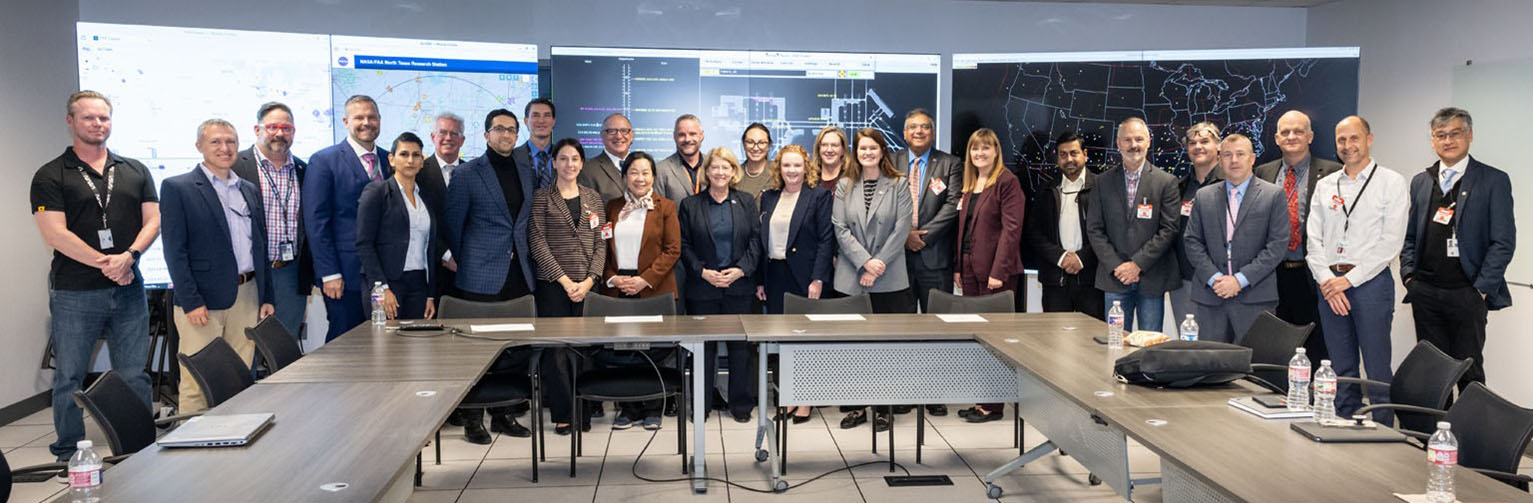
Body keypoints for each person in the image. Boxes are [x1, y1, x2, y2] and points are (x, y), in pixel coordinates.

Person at [32, 91, 159, 462]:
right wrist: (108, 263)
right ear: (70, 121)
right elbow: (55, 234)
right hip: (75, 292)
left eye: (103, 118)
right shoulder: (51, 174)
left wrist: (130, 257)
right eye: (88, 118)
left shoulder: (134, 169)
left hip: (128, 289)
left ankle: (138, 441)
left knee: (134, 372)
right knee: (69, 375)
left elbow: (153, 220)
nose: (97, 124)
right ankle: (68, 449)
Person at [443, 109, 565, 443]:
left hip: (519, 274)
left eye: (512, 130)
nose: (506, 135)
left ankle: (503, 414)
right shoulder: (468, 174)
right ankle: (472, 418)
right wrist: (468, 260)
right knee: (477, 351)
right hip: (480, 275)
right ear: (486, 135)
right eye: (499, 129)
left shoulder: (527, 171)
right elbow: (453, 225)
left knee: (513, 349)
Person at [162, 118, 275, 413]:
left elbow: (260, 246)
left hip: (247, 294)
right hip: (202, 301)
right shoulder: (178, 187)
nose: (224, 148)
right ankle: (190, 448)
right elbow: (175, 252)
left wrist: (267, 297)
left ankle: (234, 437)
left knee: (239, 375)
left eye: (230, 142)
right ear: (199, 146)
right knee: (198, 378)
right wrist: (190, 301)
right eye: (216, 142)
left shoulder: (248, 189)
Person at [1401, 107, 1515, 390]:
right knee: (1432, 371)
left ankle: (1470, 433)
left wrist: (1481, 289)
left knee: (1469, 371)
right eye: (1440, 135)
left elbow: (1503, 241)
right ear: (1432, 140)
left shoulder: (1493, 180)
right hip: (1425, 291)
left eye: (1455, 133)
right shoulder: (1421, 181)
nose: (1447, 140)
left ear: (1470, 135)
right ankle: (1434, 432)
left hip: (1467, 292)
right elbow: (1410, 236)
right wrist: (1409, 278)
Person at [1306, 115, 1409, 423]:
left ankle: (1383, 434)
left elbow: (1390, 243)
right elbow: (1313, 240)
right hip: (1330, 285)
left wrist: (1347, 281)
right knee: (1341, 367)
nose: (1348, 146)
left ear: (1369, 139)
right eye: (1341, 140)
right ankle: (1342, 425)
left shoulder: (1391, 182)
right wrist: (1328, 281)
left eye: (1354, 138)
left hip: (1370, 284)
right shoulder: (1326, 185)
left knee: (1377, 369)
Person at [832, 129, 914, 432]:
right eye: (862, 148)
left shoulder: (899, 184)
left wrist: (877, 264)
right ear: (856, 151)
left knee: (886, 346)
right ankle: (856, 406)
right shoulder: (844, 185)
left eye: (873, 147)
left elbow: (902, 228)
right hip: (852, 276)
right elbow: (840, 228)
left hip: (889, 276)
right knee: (853, 346)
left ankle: (884, 407)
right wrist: (865, 262)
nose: (867, 152)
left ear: (882, 151)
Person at [598, 151, 682, 431]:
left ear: (654, 177)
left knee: (653, 350)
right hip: (619, 287)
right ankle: (627, 407)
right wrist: (612, 278)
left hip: (653, 288)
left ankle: (653, 406)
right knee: (623, 349)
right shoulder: (611, 207)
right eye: (634, 172)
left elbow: (673, 250)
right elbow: (603, 251)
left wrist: (644, 280)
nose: (640, 178)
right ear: (624, 176)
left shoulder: (665, 207)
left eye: (646, 172)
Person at [679, 147, 762, 423]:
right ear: (707, 171)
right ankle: (700, 406)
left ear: (733, 171)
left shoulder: (747, 201)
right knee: (703, 349)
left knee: (740, 350)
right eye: (714, 167)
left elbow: (755, 241)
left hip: (739, 288)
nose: (720, 172)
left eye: (726, 167)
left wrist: (741, 270)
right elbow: (685, 245)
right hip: (703, 288)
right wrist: (702, 272)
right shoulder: (690, 205)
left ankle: (740, 406)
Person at [1181, 134, 1289, 343]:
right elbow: (1192, 241)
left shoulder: (1273, 195)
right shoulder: (1204, 196)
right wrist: (1214, 279)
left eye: (1240, 154)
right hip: (1211, 296)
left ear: (1252, 158)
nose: (1234, 161)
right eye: (1227, 155)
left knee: (1254, 365)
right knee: (1211, 365)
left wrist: (1239, 281)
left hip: (1255, 298)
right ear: (1220, 160)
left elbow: (1277, 246)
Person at [755, 144, 834, 424]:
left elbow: (826, 240)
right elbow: (762, 241)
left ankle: (806, 401)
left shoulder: (819, 196)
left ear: (806, 167)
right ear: (779, 168)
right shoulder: (769, 197)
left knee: (804, 340)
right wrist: (761, 280)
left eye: (797, 165)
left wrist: (818, 278)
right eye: (786, 165)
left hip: (804, 277)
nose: (792, 170)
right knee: (782, 339)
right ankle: (786, 398)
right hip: (775, 275)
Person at [951, 128, 1025, 423]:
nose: (979, 153)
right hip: (969, 268)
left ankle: (993, 406)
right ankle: (982, 400)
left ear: (996, 151)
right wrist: (957, 266)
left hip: (996, 272)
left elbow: (1011, 230)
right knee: (978, 337)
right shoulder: (971, 184)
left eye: (985, 148)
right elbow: (964, 230)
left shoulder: (1007, 182)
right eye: (974, 149)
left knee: (995, 339)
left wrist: (999, 270)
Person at [1255, 110, 1341, 361]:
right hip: (1272, 274)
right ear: (1277, 138)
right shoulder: (1263, 173)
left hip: (1312, 275)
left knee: (1317, 345)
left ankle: (1313, 395)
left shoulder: (1333, 172)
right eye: (1285, 132)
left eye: (1298, 131)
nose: (1291, 136)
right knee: (1275, 345)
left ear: (1310, 136)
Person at [304, 94, 390, 341]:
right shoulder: (324, 160)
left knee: (381, 340)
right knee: (345, 341)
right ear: (345, 121)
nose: (366, 122)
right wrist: (329, 273)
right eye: (359, 117)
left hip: (382, 272)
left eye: (371, 117)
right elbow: (316, 221)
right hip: (345, 273)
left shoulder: (390, 159)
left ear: (380, 120)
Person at [1084, 117, 1180, 332]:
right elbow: (1094, 229)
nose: (1133, 145)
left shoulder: (1167, 182)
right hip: (1114, 278)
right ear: (1118, 144)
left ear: (1148, 142)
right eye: (1127, 139)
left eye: (1139, 139)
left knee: (1149, 346)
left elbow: (1169, 229)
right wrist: (1118, 266)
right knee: (1115, 344)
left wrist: (1136, 265)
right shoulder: (1102, 182)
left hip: (1151, 277)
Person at [232, 102, 310, 340]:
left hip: (290, 273)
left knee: (285, 347)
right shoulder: (235, 166)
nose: (279, 133)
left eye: (286, 128)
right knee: (246, 349)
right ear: (257, 130)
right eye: (273, 127)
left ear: (293, 132)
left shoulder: (303, 170)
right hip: (251, 274)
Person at [356, 132, 440, 320]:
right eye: (404, 154)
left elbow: (430, 247)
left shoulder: (425, 197)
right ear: (392, 160)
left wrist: (430, 294)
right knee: (384, 345)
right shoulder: (376, 192)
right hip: (387, 283)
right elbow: (364, 244)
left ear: (422, 161)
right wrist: (382, 289)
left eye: (416, 155)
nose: (410, 160)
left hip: (419, 284)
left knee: (416, 344)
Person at [1027, 131, 1103, 319]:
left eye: (1074, 153)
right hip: (1055, 280)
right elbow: (1034, 232)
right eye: (1063, 155)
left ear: (1085, 154)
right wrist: (1061, 257)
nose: (1069, 159)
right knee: (1054, 341)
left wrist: (1081, 258)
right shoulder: (1046, 189)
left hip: (1092, 279)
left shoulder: (1102, 187)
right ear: (1057, 158)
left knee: (1092, 342)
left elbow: (1108, 233)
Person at [894, 108, 962, 316]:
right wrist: (905, 235)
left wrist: (923, 237)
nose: (919, 131)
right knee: (899, 324)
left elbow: (952, 205)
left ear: (933, 133)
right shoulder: (890, 162)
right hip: (898, 258)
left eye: (925, 127)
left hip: (935, 259)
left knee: (938, 323)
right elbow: (884, 205)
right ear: (904, 133)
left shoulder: (950, 164)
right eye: (913, 127)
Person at [528, 138, 607, 317]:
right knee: (557, 343)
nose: (569, 164)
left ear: (581, 164)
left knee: (589, 342)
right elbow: (537, 243)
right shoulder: (541, 197)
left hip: (588, 286)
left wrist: (589, 281)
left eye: (574, 159)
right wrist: (566, 282)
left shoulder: (593, 197)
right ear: (554, 163)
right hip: (553, 285)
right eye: (563, 159)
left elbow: (601, 244)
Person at [1170, 122, 1224, 336]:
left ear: (1218, 146)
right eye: (1192, 143)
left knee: (1217, 345)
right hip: (1184, 281)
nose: (1198, 147)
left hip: (1220, 280)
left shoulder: (1232, 183)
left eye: (1204, 141)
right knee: (1188, 345)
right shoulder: (1179, 187)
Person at [417, 112, 465, 299]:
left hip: (466, 270)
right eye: (442, 132)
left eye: (454, 134)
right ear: (432, 137)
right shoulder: (418, 173)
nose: (448, 138)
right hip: (431, 268)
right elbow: (420, 222)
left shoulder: (474, 172)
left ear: (462, 140)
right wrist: (445, 255)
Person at [579, 113, 632, 204]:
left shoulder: (644, 167)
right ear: (602, 136)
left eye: (624, 130)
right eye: (611, 131)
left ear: (632, 135)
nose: (619, 136)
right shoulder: (588, 170)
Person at [656, 114, 706, 203]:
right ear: (674, 137)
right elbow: (658, 211)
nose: (687, 139)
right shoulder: (660, 170)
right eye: (681, 135)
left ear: (701, 136)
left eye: (692, 134)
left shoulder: (714, 166)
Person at [516, 98, 559, 191]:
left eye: (547, 115)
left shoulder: (564, 156)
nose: (541, 121)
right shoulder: (513, 157)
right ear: (526, 121)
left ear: (553, 121)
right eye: (536, 115)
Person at [736, 123, 774, 201]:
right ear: (744, 144)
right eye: (750, 142)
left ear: (769, 145)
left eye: (762, 143)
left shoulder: (779, 172)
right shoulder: (734, 174)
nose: (756, 148)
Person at [811, 126, 854, 192]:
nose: (829, 150)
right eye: (824, 145)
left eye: (834, 145)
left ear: (843, 150)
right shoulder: (809, 179)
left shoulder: (853, 179)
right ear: (819, 149)